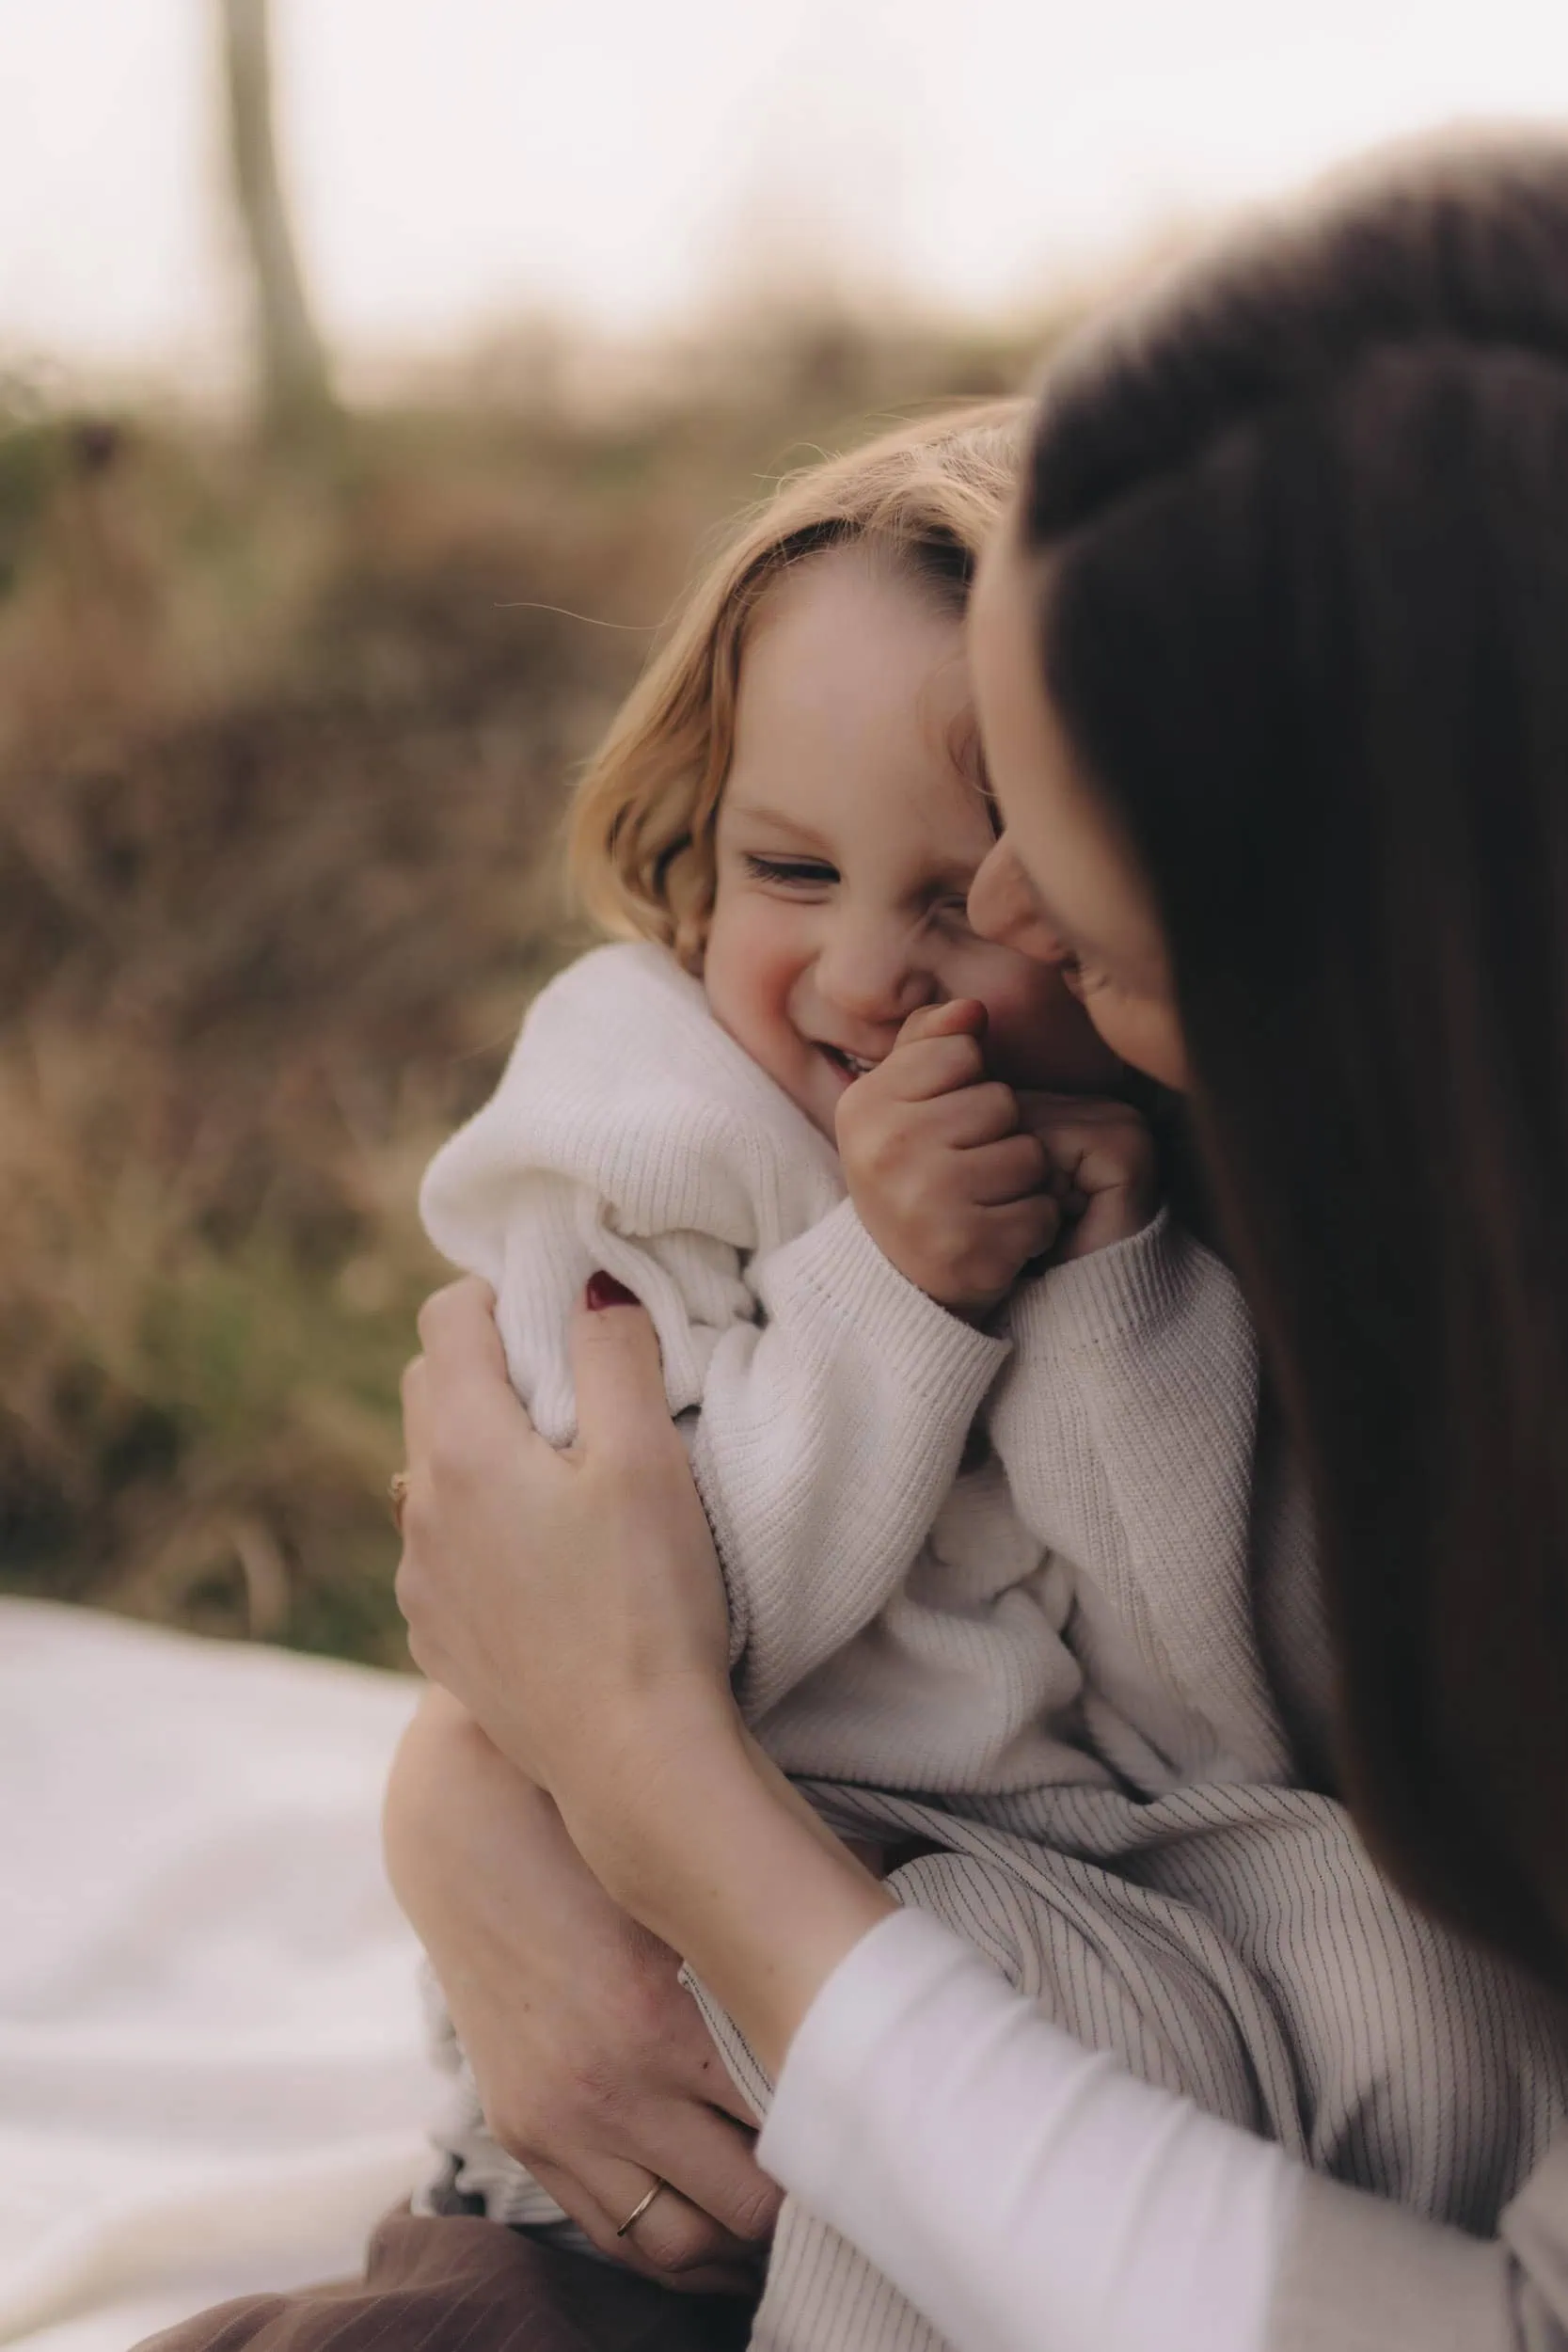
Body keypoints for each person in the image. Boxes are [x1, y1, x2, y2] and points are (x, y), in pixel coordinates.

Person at [141, 126, 1568, 2352]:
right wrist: (498, 1786)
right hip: (795, 1939)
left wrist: (1095, 1299)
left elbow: (1242, 1698)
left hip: (1123, 1909)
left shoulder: (1213, 1178)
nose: (937, 949)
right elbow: (581, 1589)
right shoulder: (649, 1129)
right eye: (786, 869)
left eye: (1018, 880)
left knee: (1403, 1986)